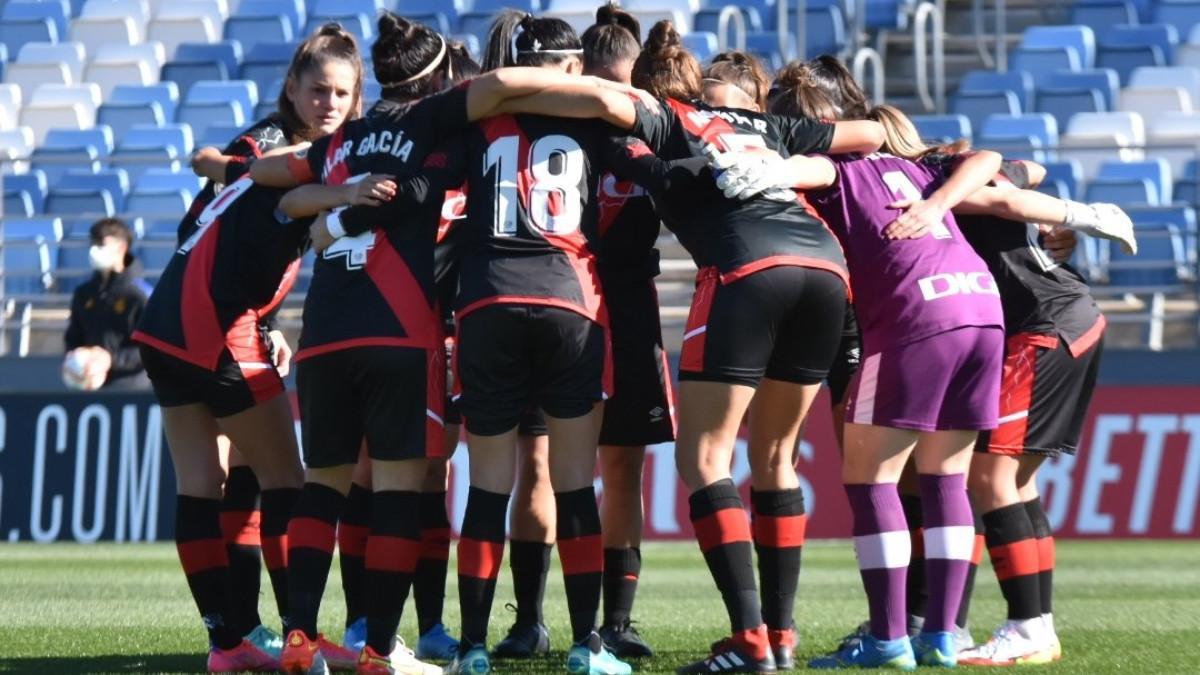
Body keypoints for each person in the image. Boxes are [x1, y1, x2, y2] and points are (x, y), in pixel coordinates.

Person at [251, 12, 658, 675]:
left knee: (463, 489)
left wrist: (337, 213)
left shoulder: (402, 136)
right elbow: (653, 168)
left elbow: (312, 182)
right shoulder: (573, 119)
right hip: (555, 304)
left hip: (452, 310)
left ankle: (460, 644)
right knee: (565, 487)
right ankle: (584, 644)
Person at [605, 23, 886, 672]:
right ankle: (781, 637)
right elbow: (872, 133)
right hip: (827, 273)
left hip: (746, 271)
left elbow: (609, 118)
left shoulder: (666, 120)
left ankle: (750, 638)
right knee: (777, 457)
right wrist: (784, 166)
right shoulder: (765, 125)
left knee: (704, 459)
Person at [131, 24, 364, 674]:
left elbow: (219, 229)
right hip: (215, 325)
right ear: (291, 88)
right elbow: (226, 192)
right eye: (316, 89)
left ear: (355, 97)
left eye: (340, 93)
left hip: (168, 321)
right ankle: (298, 639)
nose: (327, 102)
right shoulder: (274, 146)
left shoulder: (299, 151)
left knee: (204, 484)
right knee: (288, 480)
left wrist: (267, 319)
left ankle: (227, 642)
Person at [62, 217, 152, 391]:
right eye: (92, 244)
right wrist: (78, 357)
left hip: (132, 389)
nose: (94, 250)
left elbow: (152, 349)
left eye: (101, 244)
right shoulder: (84, 293)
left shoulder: (140, 294)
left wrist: (110, 360)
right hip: (89, 387)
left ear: (122, 247)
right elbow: (73, 337)